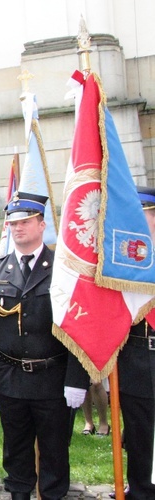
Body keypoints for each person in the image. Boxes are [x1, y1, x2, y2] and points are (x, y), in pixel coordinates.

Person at [0, 192, 88, 500]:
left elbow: (79, 328)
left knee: (54, 452)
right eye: (13, 223)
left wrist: (78, 379)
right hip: (11, 378)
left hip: (54, 377)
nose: (18, 228)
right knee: (16, 451)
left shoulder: (64, 268)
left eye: (25, 222)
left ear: (42, 224)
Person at [114, 186, 155, 499]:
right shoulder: (125, 258)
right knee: (140, 433)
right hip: (136, 354)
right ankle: (141, 489)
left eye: (144, 216)